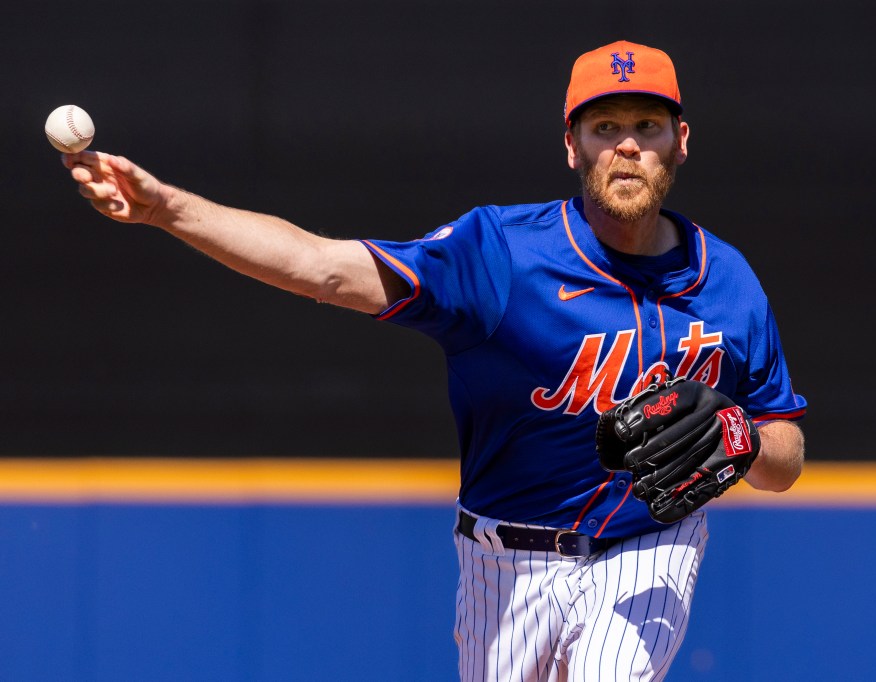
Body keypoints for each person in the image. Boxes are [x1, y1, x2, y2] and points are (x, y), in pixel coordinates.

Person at [63, 40, 806, 682]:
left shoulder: (728, 281)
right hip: (505, 559)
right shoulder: (504, 256)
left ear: (681, 140)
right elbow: (319, 266)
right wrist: (169, 210)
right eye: (604, 126)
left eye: (647, 126)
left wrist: (742, 441)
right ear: (571, 145)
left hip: (649, 546)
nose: (628, 145)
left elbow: (786, 457)